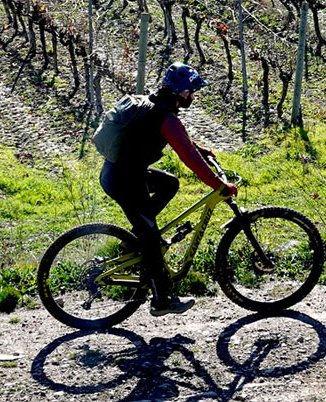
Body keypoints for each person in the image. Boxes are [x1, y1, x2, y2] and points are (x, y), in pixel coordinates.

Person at [95, 62, 237, 317]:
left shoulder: (152, 104)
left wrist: (201, 149)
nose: (193, 96)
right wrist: (218, 185)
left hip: (123, 172)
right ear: (181, 93)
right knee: (150, 239)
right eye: (191, 92)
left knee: (169, 184)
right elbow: (189, 159)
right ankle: (161, 299)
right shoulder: (165, 117)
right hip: (124, 181)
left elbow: (183, 142)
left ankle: (138, 235)